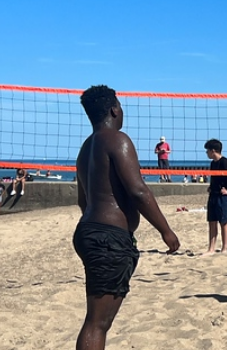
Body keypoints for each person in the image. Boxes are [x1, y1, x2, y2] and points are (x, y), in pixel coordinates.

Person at [72, 85, 181, 350]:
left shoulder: (85, 148)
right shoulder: (117, 139)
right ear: (114, 109)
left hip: (89, 231)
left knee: (97, 320)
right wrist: (166, 231)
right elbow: (138, 190)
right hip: (108, 238)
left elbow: (83, 200)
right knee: (97, 323)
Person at [202, 139, 227, 256]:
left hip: (223, 197)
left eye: (207, 151)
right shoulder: (213, 163)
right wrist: (211, 187)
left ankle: (224, 248)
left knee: (223, 222)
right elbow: (215, 178)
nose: (206, 153)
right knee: (212, 221)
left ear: (213, 151)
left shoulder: (225, 162)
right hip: (213, 194)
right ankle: (211, 249)